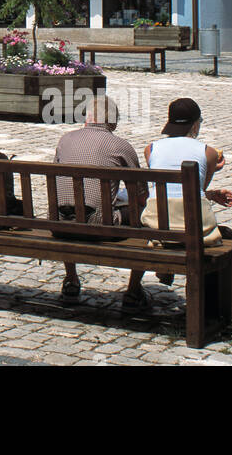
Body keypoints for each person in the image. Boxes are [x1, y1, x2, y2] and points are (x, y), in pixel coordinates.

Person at [144, 97, 232, 323]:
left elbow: (176, 189)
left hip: (158, 227)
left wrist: (209, 194)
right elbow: (196, 189)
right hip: (192, 231)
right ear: (195, 124)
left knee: (222, 238)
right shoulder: (208, 152)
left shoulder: (150, 149)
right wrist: (214, 169)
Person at [53, 95, 153, 312]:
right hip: (101, 225)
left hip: (61, 224)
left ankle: (71, 280)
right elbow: (141, 194)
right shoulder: (120, 145)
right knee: (148, 216)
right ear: (113, 122)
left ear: (87, 117)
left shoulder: (65, 140)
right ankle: (134, 290)